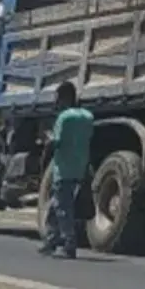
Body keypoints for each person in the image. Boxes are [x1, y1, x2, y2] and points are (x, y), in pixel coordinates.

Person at [39, 81, 94, 259]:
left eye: (57, 98)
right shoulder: (87, 116)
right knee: (55, 206)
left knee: (63, 207)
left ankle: (69, 243)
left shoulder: (64, 118)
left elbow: (57, 142)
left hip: (63, 169)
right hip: (79, 167)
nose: (56, 102)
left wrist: (47, 140)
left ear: (64, 98)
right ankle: (51, 241)